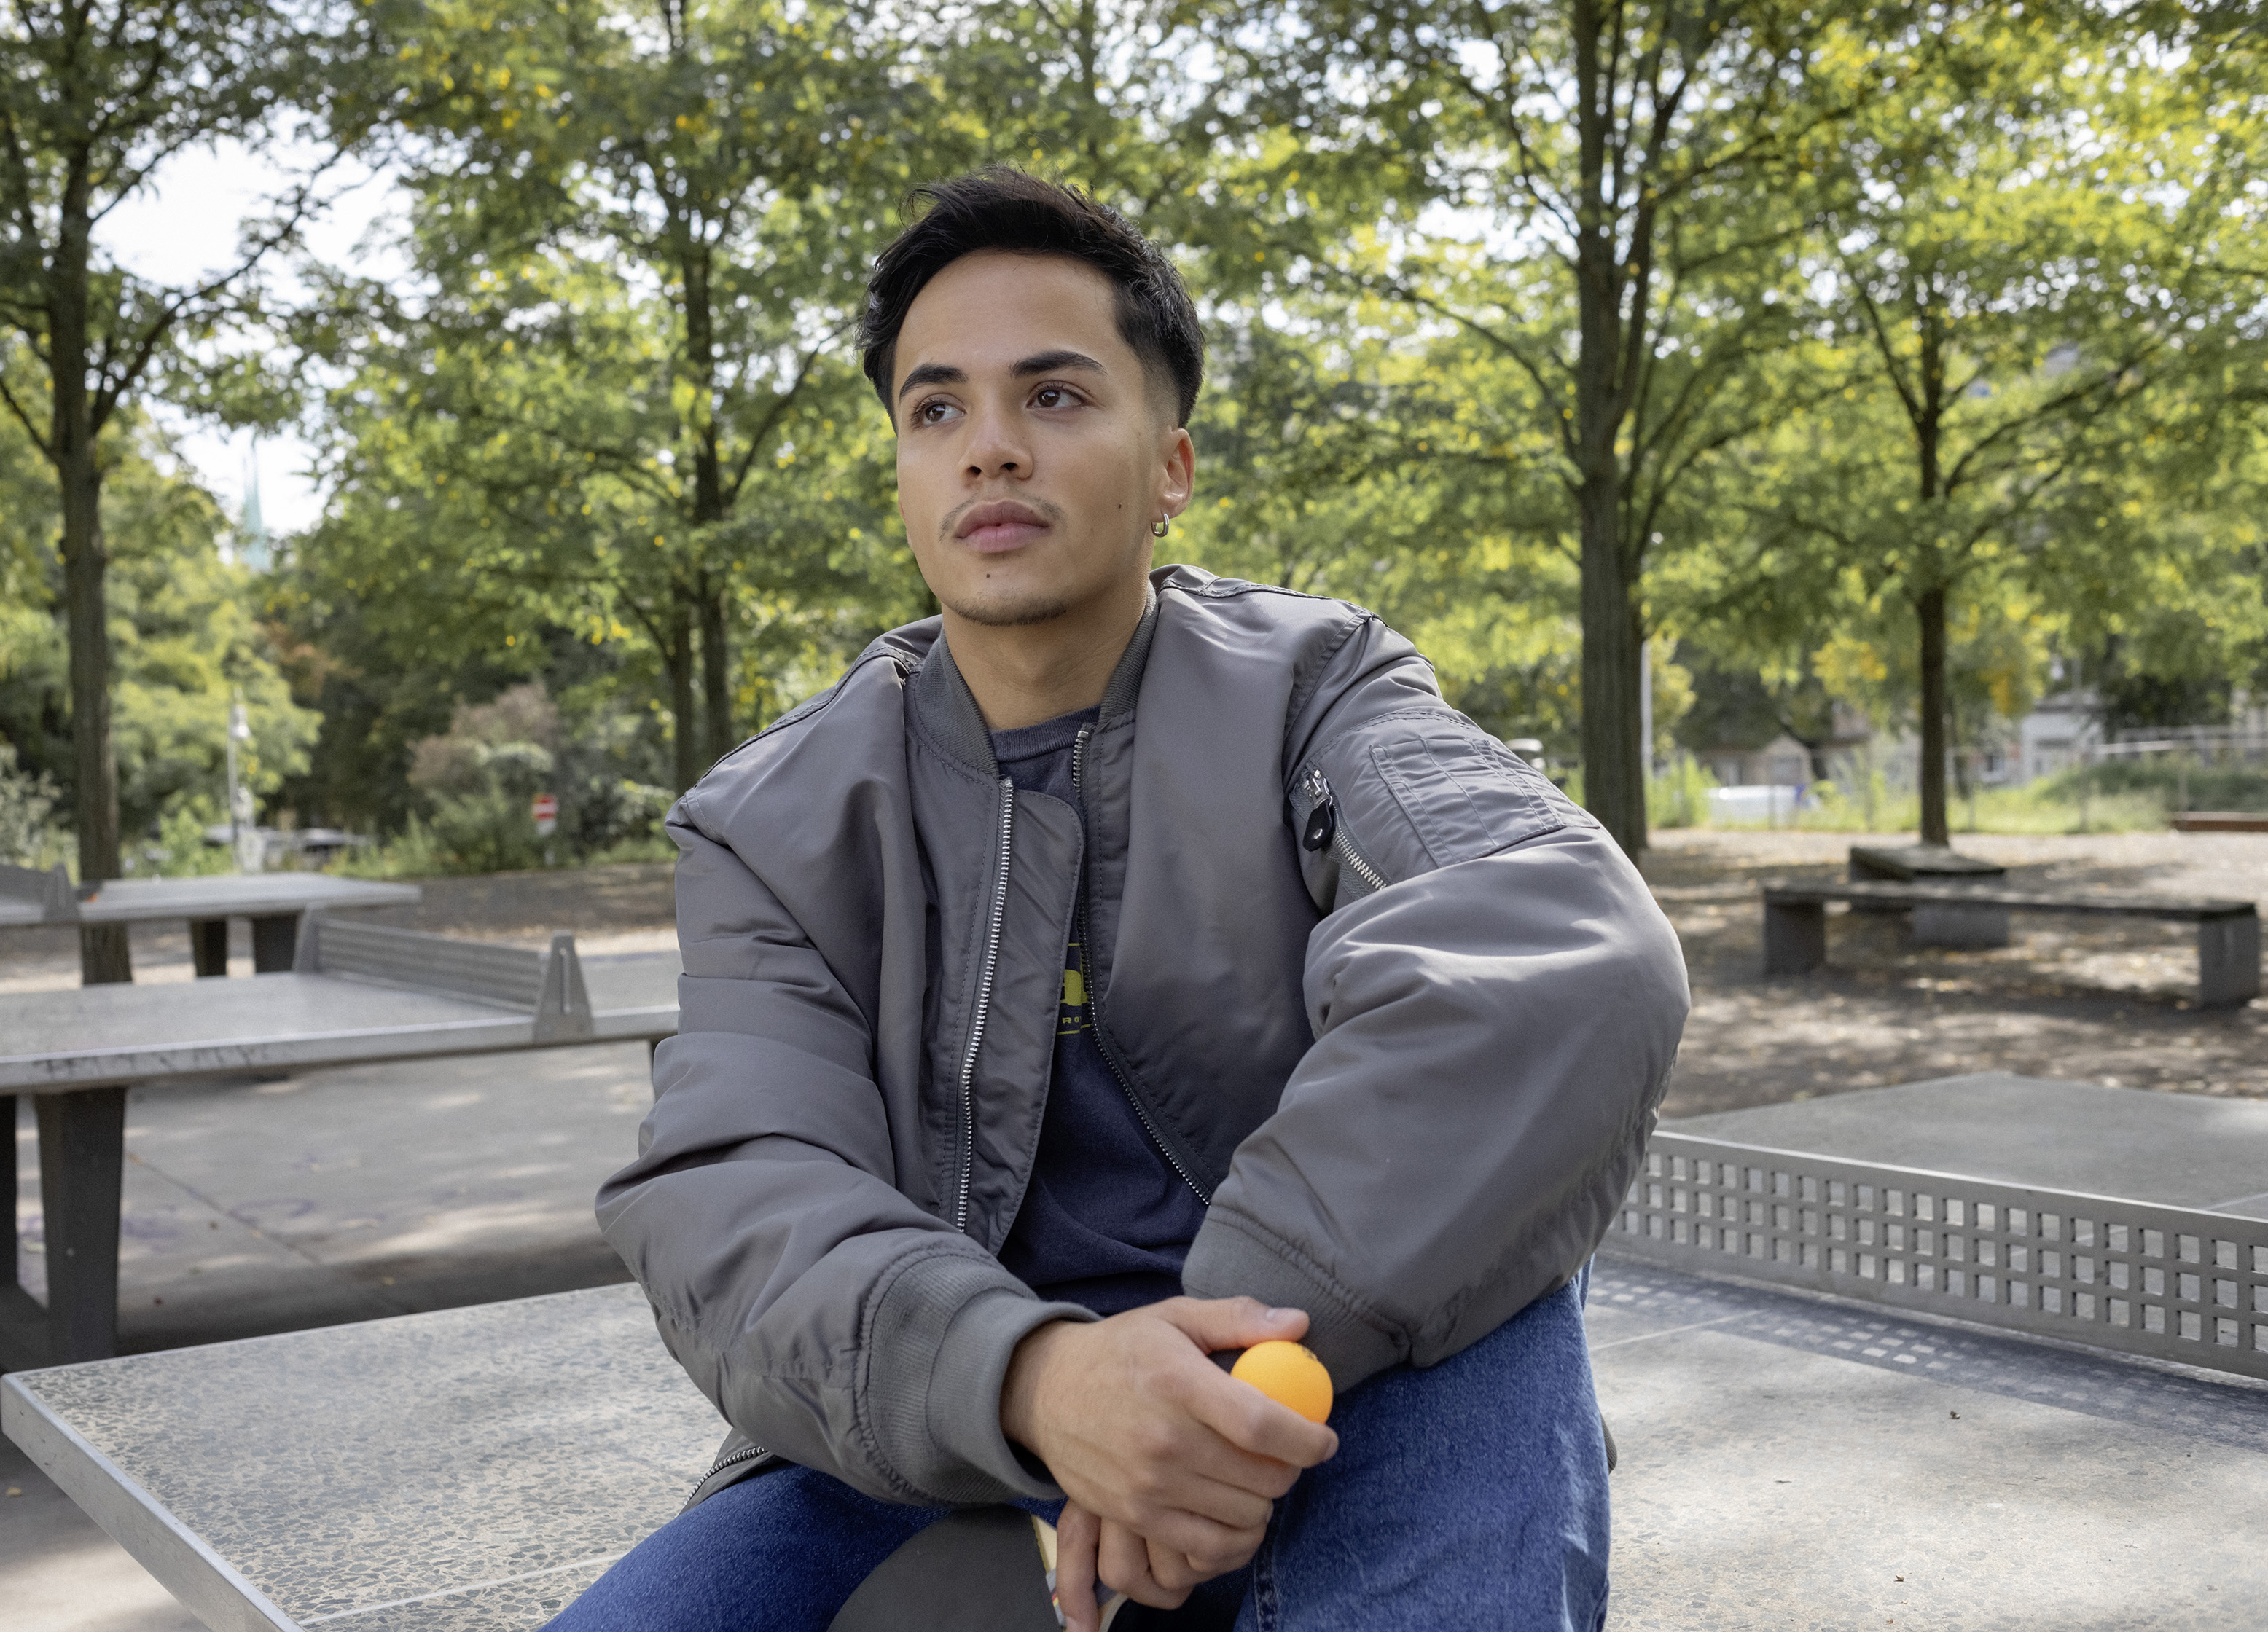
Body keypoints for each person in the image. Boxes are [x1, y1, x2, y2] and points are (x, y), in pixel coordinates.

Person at [547, 168, 1690, 1632]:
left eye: (1059, 396)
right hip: (952, 1398)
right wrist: (1045, 1382)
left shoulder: (1323, 695)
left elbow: (1562, 952)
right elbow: (734, 1194)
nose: (990, 450)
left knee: (1495, 1310)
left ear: (1173, 466)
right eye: (936, 409)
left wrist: (1201, 1387)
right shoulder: (779, 822)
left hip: (1356, 1366)